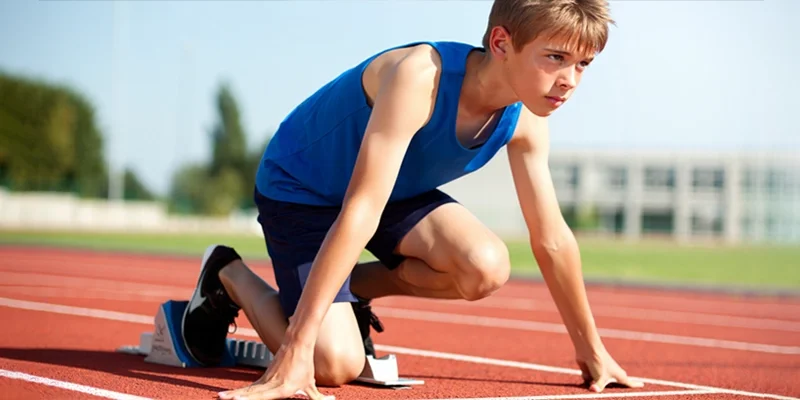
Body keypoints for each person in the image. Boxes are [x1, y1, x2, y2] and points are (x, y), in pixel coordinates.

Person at [180, 0, 644, 399]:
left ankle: (350, 290)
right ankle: (229, 273)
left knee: (484, 267)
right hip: (303, 190)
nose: (569, 80)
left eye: (583, 64)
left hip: (393, 193)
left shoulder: (526, 118)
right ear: (501, 43)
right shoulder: (421, 77)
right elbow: (361, 206)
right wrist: (295, 348)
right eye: (556, 57)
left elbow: (552, 238)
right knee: (333, 365)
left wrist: (592, 350)